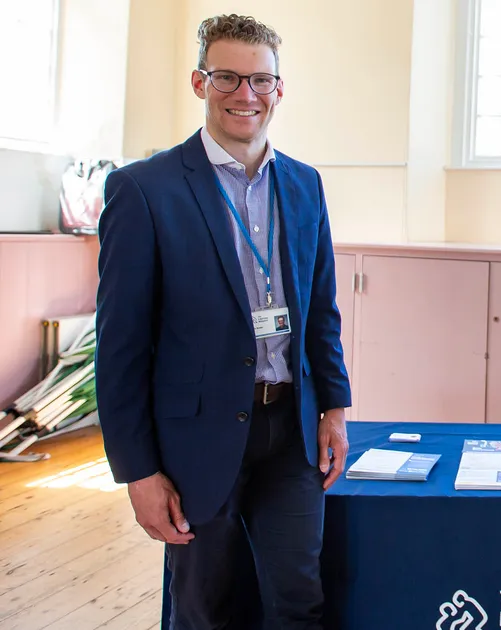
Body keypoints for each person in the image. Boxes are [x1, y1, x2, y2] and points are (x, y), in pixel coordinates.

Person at [95, 14, 351, 629]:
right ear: (199, 82)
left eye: (260, 80)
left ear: (279, 89)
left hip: (288, 430)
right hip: (195, 441)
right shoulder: (143, 190)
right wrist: (138, 472)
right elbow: (121, 347)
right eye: (227, 77)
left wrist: (334, 407)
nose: (245, 94)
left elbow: (321, 309)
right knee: (207, 609)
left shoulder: (304, 184)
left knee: (299, 600)